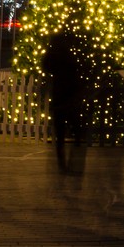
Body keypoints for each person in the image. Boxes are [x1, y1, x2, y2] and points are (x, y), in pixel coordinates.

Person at [40, 27, 88, 174]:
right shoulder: (69, 56)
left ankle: (62, 163)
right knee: (76, 131)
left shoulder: (54, 56)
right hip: (69, 97)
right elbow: (77, 73)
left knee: (60, 134)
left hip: (60, 97)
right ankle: (72, 162)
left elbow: (46, 66)